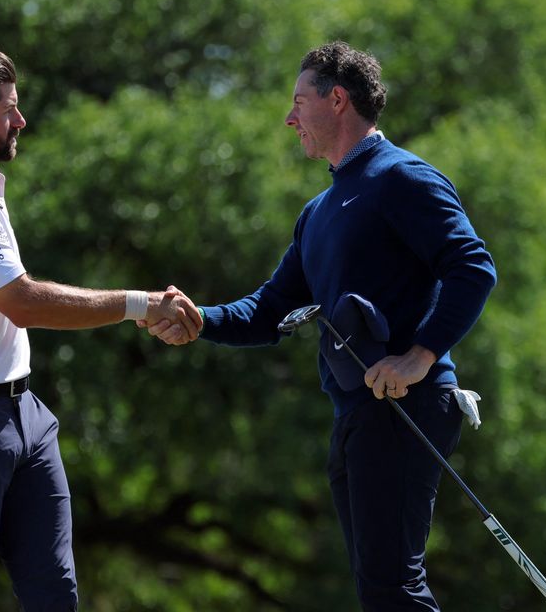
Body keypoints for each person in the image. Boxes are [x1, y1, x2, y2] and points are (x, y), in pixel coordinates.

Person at [148, 41, 496, 610]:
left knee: (392, 587)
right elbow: (270, 308)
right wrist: (199, 319)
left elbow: (473, 267)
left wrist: (420, 356)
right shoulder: (319, 211)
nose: (289, 119)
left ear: (337, 100)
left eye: (298, 102)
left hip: (406, 405)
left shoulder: (402, 177)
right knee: (377, 587)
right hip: (357, 413)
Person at [0, 43, 202, 611]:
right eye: (9, 109)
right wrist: (142, 304)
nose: (21, 120)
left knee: (55, 595)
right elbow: (24, 303)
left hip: (23, 415)